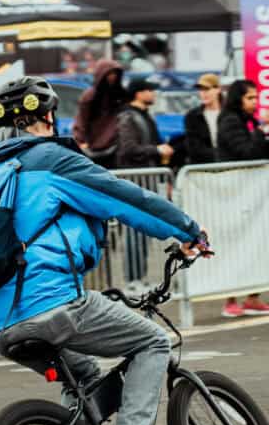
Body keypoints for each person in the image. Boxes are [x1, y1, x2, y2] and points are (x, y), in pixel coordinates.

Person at [0, 75, 209, 425]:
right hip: (53, 303)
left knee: (81, 376)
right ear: (48, 115)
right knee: (151, 342)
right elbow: (125, 198)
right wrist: (188, 232)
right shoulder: (51, 160)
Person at [216, 79, 269, 319]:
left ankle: (253, 296)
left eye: (256, 97)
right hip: (234, 190)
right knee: (235, 244)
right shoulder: (230, 121)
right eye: (250, 98)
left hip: (250, 190)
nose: (255, 102)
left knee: (255, 242)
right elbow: (247, 153)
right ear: (238, 99)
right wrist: (262, 128)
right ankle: (230, 298)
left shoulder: (249, 121)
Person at [116, 78, 174, 295]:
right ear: (138, 93)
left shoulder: (143, 116)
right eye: (149, 89)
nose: (154, 93)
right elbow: (128, 149)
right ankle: (132, 281)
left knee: (142, 233)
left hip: (145, 182)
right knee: (133, 233)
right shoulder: (127, 117)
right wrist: (157, 151)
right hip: (134, 182)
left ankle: (139, 278)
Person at [73, 59, 125, 168]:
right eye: (109, 73)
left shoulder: (120, 94)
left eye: (115, 73)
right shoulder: (90, 96)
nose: (113, 76)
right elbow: (82, 119)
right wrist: (80, 141)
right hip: (94, 147)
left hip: (116, 146)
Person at [183, 73, 223, 164]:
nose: (203, 93)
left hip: (230, 167)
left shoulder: (229, 114)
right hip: (203, 169)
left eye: (207, 89)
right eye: (200, 89)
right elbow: (194, 148)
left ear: (218, 89)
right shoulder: (192, 116)